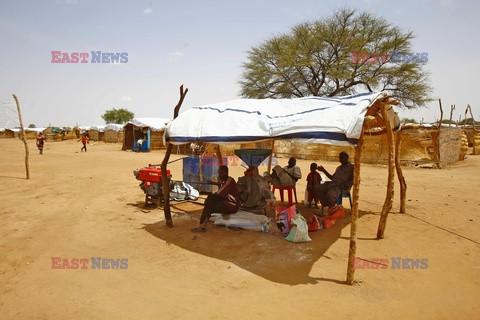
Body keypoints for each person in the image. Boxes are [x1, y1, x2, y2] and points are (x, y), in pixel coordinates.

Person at [192, 166, 240, 232]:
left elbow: (219, 194)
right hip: (227, 202)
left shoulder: (229, 181)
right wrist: (213, 183)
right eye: (219, 173)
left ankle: (203, 225)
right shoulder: (225, 180)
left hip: (232, 206)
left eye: (221, 173)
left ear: (226, 172)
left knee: (210, 202)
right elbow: (221, 185)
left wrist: (209, 199)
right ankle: (203, 224)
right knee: (210, 203)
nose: (219, 175)